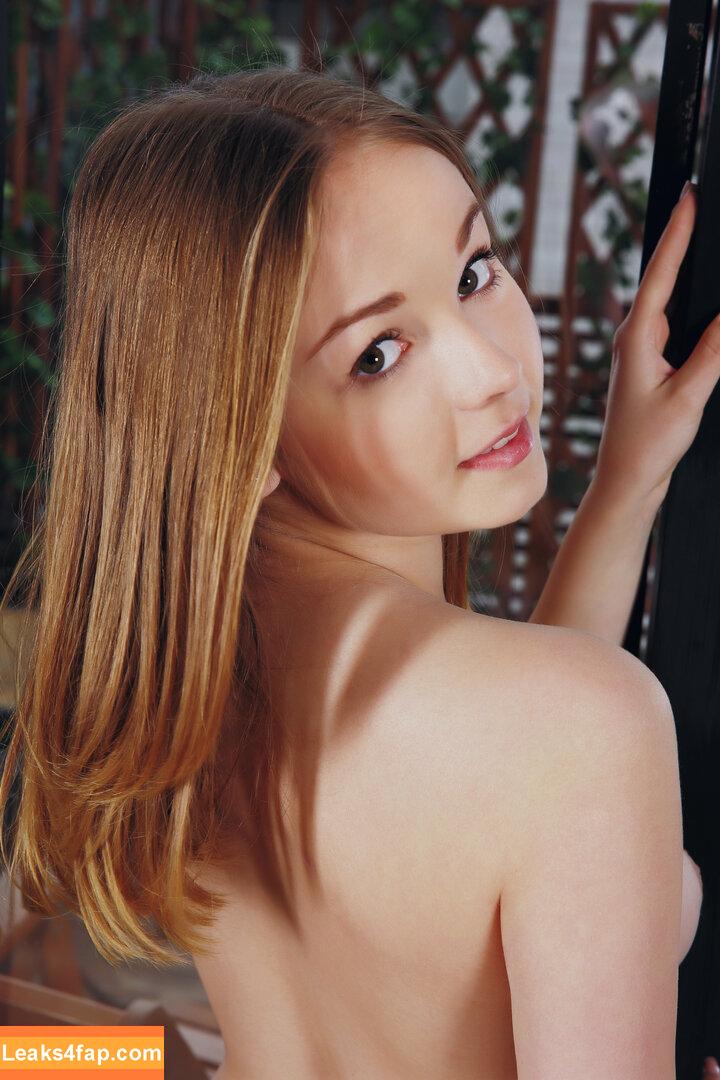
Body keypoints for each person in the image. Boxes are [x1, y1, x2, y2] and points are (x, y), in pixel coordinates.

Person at [0, 65, 717, 1079]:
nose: (495, 373)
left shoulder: (189, 687)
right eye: (379, 353)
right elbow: (549, 747)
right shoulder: (584, 731)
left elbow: (531, 749)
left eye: (473, 273)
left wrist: (625, 485)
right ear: (241, 428)